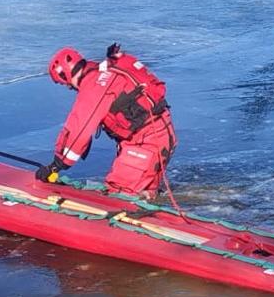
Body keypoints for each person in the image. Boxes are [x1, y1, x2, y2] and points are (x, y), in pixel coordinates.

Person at [37, 43, 177, 199]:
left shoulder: (94, 86)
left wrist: (56, 165)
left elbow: (78, 131)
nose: (70, 88)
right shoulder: (106, 70)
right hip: (162, 134)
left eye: (67, 85)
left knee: (118, 196)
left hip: (146, 143)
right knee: (145, 195)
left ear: (65, 76)